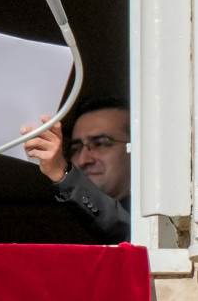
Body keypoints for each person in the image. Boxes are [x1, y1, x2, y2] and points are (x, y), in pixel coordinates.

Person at [22, 98, 131, 243]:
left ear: (135, 148)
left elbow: (125, 229)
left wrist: (62, 171)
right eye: (76, 148)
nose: (83, 159)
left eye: (100, 144)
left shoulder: (154, 218)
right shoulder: (63, 215)